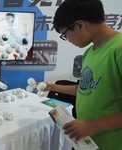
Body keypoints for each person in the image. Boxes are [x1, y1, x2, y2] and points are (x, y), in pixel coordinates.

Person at [42, 0, 122, 149]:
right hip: (86, 141)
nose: (68, 40)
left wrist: (93, 125)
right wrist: (52, 86)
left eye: (65, 34)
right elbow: (84, 89)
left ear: (80, 25)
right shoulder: (88, 53)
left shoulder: (119, 49)